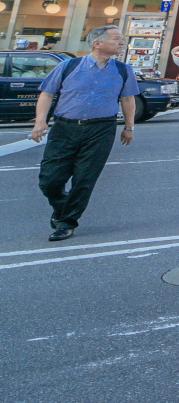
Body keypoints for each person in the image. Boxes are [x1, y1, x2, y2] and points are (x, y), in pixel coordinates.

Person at [30, 25, 137, 241]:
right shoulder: (69, 66)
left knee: (84, 180)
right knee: (49, 180)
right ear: (98, 43)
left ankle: (67, 223)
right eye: (116, 38)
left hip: (101, 129)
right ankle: (62, 208)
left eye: (121, 39)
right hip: (64, 128)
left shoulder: (124, 70)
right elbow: (47, 93)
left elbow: (127, 99)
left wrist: (129, 127)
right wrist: (40, 122)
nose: (121, 42)